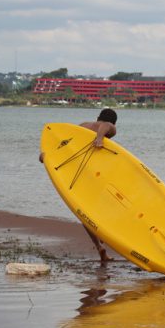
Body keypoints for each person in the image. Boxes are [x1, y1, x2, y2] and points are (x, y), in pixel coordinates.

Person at [39, 108, 118, 262]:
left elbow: (63, 143)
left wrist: (46, 154)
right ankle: (102, 233)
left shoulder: (83, 125)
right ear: (114, 122)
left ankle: (100, 247)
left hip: (75, 174)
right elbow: (106, 126)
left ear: (97, 117)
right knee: (104, 206)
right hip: (92, 174)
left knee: (85, 213)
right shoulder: (109, 127)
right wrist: (100, 138)